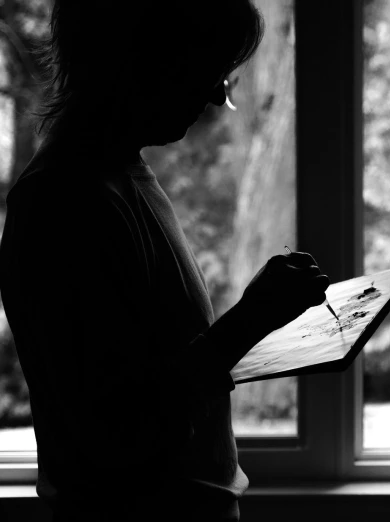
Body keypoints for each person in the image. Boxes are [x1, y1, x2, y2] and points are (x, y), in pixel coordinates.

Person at [0, 1, 329, 520]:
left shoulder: (120, 176)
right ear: (141, 63)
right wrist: (251, 319)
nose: (215, 101)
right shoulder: (65, 202)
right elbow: (118, 431)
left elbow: (156, 368)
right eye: (207, 73)